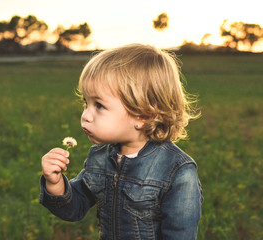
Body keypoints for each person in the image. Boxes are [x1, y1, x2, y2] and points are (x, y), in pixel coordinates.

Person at [39, 44, 203, 240]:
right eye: (86, 102)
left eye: (99, 105)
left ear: (142, 115)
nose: (86, 115)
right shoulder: (100, 157)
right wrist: (55, 183)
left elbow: (180, 234)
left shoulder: (176, 170)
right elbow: (74, 208)